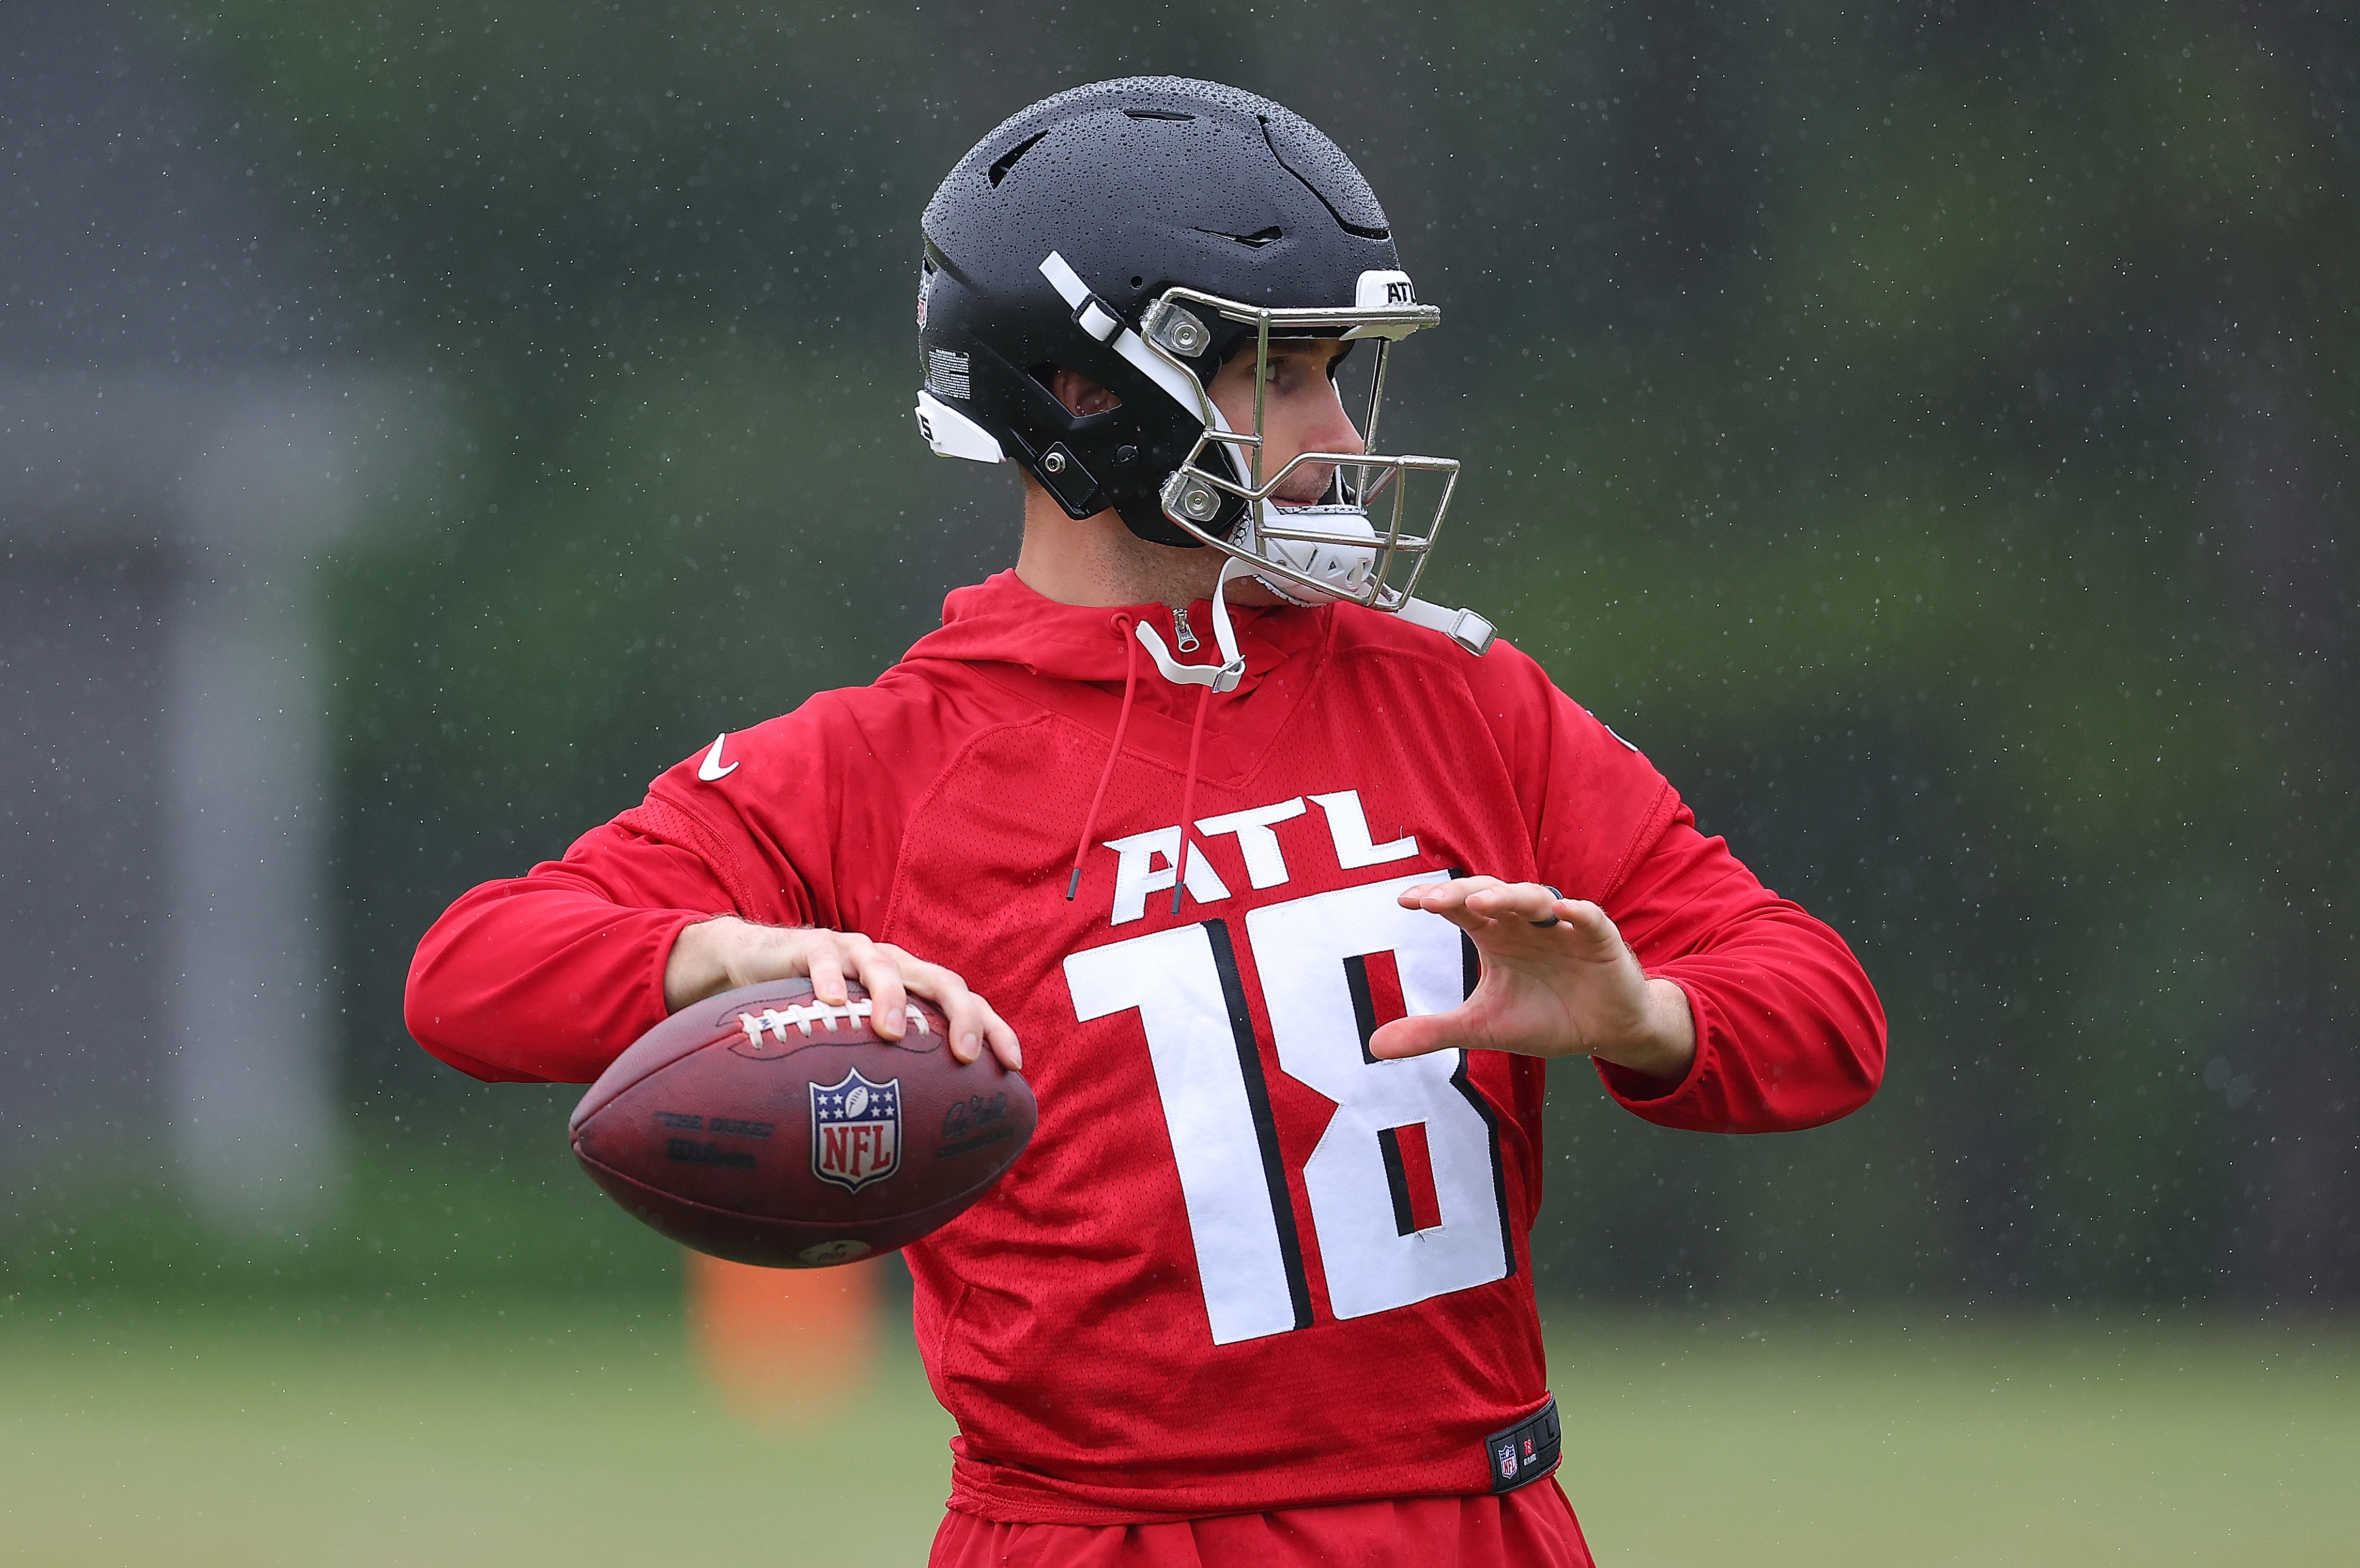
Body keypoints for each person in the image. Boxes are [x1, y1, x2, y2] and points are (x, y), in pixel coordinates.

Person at [407, 76, 1886, 1567]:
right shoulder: (885, 762)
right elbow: (470, 974)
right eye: (1284, 374)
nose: (1334, 428)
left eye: (1337, 371)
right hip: (1095, 1537)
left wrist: (1651, 1017)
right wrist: (729, 955)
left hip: (1473, 1519)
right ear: (1092, 399)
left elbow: (1826, 1014)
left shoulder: (1463, 699)